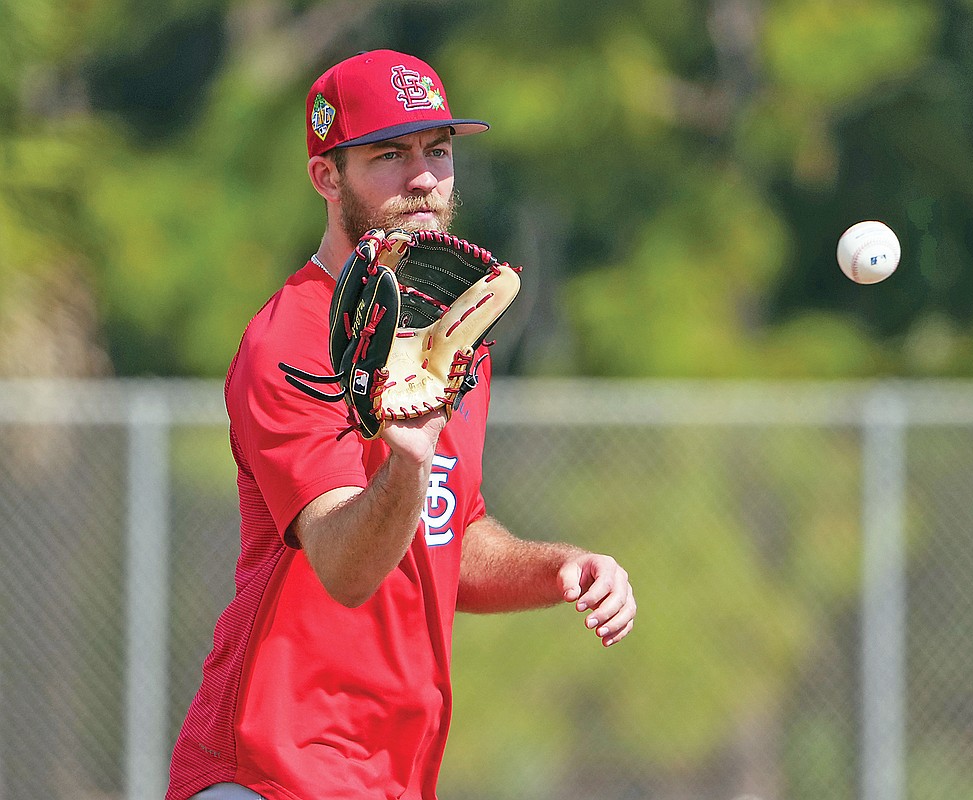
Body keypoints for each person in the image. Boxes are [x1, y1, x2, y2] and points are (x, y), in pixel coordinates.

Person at [166, 49, 637, 800]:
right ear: (327, 176)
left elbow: (449, 533)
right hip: (272, 771)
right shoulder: (294, 338)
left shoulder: (454, 335)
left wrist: (559, 568)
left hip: (389, 778)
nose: (424, 177)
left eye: (438, 151)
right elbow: (346, 570)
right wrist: (407, 463)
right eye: (390, 154)